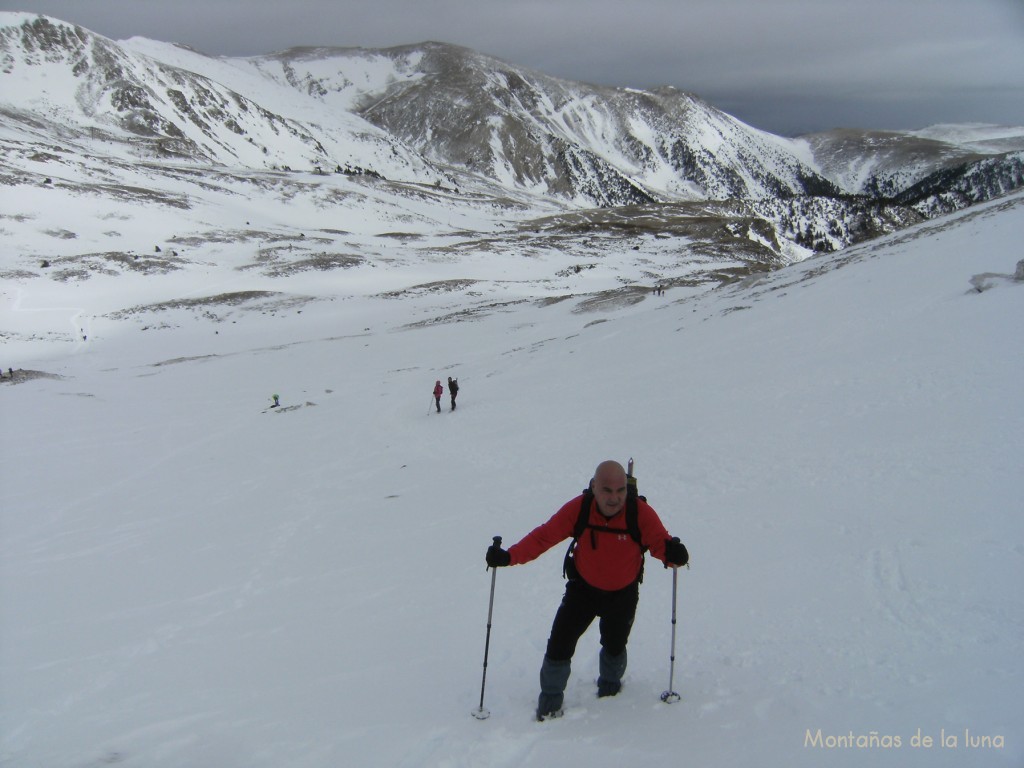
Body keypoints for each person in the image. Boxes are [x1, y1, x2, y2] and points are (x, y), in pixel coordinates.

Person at [485, 460, 688, 721]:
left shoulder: (640, 513)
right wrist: (509, 556)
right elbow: (544, 536)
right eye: (607, 490)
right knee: (559, 644)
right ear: (594, 487)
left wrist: (675, 555)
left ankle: (611, 692)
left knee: (615, 645)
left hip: (623, 593)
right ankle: (549, 704)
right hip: (583, 590)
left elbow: (661, 545)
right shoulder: (580, 509)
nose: (614, 498)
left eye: (620, 491)